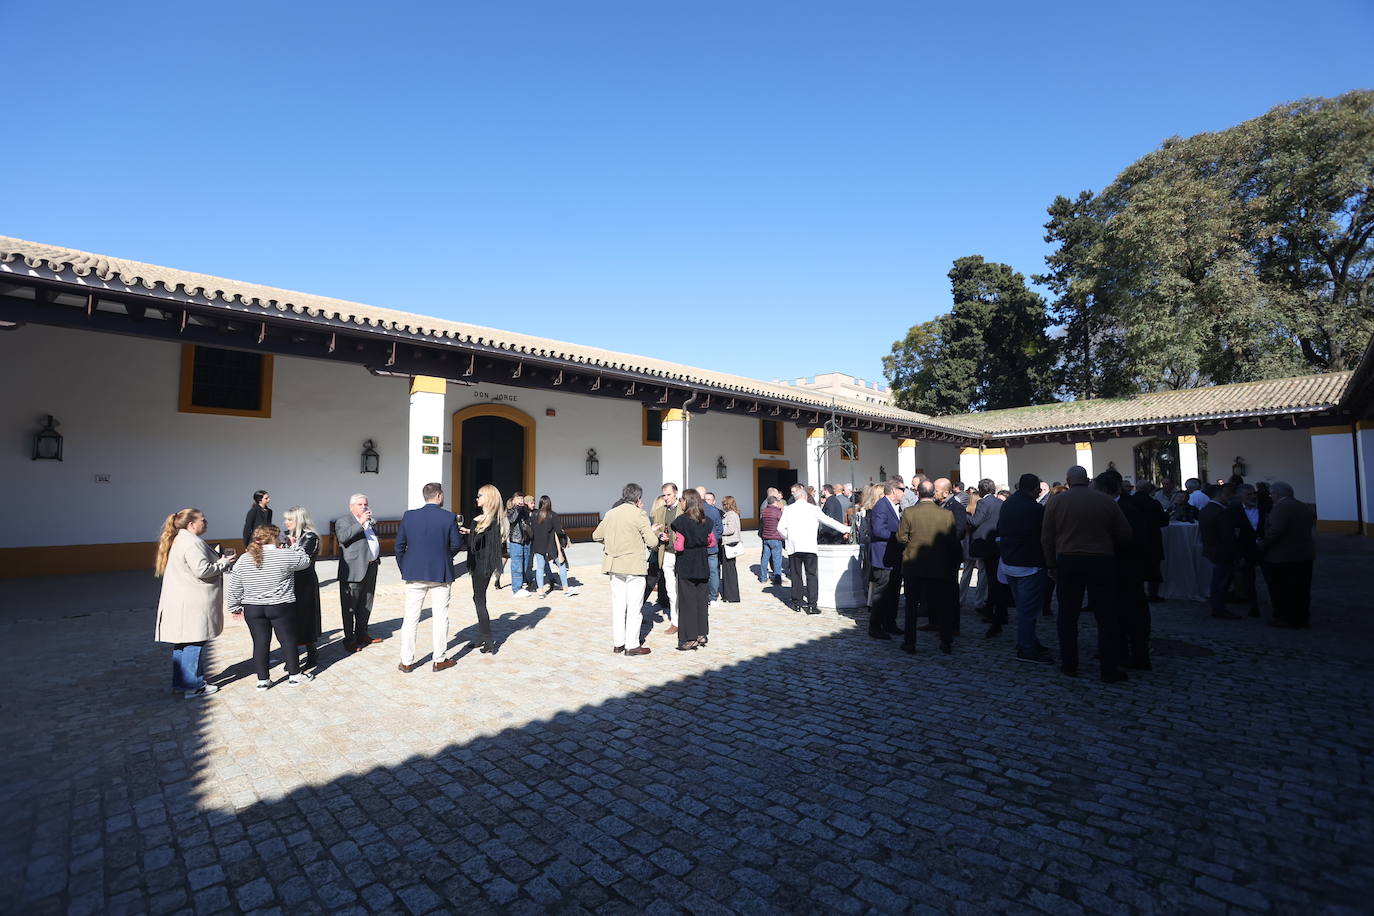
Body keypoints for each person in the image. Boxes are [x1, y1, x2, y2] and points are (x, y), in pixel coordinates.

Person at [1041, 465, 1132, 682]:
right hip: (1101, 560)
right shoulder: (1105, 501)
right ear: (1088, 479)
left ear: (1068, 480)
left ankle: (1069, 664)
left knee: (1067, 615)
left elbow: (1046, 537)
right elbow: (1126, 534)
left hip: (1068, 560)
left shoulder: (1057, 501)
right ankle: (1108, 669)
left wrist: (1050, 564)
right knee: (1106, 616)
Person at [154, 508, 236, 698]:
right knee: (194, 642)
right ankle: (194, 685)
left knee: (183, 644)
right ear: (191, 524)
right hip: (193, 601)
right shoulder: (192, 543)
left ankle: (181, 683)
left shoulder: (181, 540)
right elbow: (202, 570)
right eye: (202, 520)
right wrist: (224, 563)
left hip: (183, 600)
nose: (206, 523)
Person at [227, 525, 312, 690]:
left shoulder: (244, 558)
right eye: (279, 536)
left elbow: (235, 584)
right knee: (288, 640)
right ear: (274, 537)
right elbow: (305, 562)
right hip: (280, 605)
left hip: (252, 608)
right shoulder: (285, 554)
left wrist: (234, 606)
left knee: (260, 643)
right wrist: (295, 546)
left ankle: (263, 680)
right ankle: (294, 675)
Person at [394, 482, 463, 673]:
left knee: (410, 618)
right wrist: (444, 557)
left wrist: (405, 567)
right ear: (439, 496)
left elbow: (399, 546)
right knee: (441, 617)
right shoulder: (449, 517)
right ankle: (439, 659)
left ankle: (406, 661)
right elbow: (456, 544)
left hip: (414, 573)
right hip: (440, 573)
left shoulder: (409, 516)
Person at [593, 483, 661, 655]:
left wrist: (612, 543)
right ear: (638, 499)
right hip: (633, 565)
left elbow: (597, 535)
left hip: (614, 564)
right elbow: (652, 542)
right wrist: (655, 536)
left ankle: (618, 643)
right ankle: (631, 644)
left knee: (618, 606)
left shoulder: (611, 513)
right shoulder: (639, 514)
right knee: (634, 608)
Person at [895, 480, 961, 654]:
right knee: (944, 605)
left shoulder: (909, 513)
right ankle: (946, 641)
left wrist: (912, 544)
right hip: (939, 566)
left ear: (918, 493)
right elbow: (952, 541)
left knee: (911, 606)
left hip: (914, 565)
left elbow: (901, 538)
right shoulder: (946, 515)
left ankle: (910, 642)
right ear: (933, 494)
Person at [1097, 470, 1153, 670]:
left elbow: (1135, 540)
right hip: (1116, 569)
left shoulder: (1127, 508)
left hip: (1127, 568)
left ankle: (1138, 655)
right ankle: (1119, 650)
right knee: (1117, 613)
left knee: (1133, 614)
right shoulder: (1114, 506)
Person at [998, 474, 1052, 663]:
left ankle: (1030, 640)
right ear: (1034, 489)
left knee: (1023, 607)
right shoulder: (1034, 508)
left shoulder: (1008, 503)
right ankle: (1026, 647)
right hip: (1028, 564)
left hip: (1009, 562)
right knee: (1028, 610)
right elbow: (1043, 537)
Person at [777, 482, 851, 614]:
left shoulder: (789, 509)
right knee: (811, 575)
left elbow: (780, 528)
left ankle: (797, 603)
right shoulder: (814, 509)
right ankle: (812, 605)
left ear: (796, 497)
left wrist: (788, 537)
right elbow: (829, 521)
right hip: (809, 546)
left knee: (796, 575)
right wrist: (846, 529)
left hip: (794, 546)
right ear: (805, 497)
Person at [1261, 481, 1316, 628]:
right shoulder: (1303, 506)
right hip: (1304, 554)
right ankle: (1301, 617)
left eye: (1271, 494)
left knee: (1282, 589)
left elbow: (1275, 531)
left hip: (1282, 556)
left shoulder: (1281, 508)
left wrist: (1262, 545)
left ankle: (1285, 617)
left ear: (1277, 494)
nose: (1270, 497)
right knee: (1301, 589)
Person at [460, 484, 508, 653]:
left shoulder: (480, 521)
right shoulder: (496, 521)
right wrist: (470, 531)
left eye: (480, 495)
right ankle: (482, 635)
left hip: (479, 566)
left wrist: (470, 531)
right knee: (478, 598)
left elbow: (472, 546)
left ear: (488, 498)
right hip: (487, 566)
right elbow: (484, 542)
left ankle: (487, 638)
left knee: (479, 600)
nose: (477, 498)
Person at [670, 489, 716, 650]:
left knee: (687, 602)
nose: (681, 503)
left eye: (682, 500)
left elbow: (679, 546)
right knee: (701, 601)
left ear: (687, 501)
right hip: (702, 563)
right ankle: (701, 634)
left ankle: (689, 638)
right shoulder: (707, 521)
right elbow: (712, 543)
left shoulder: (680, 522)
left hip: (687, 565)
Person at [336, 493, 382, 652]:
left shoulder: (369, 521)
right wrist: (360, 523)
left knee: (366, 603)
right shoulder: (343, 521)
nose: (364, 507)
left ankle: (362, 633)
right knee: (350, 606)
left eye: (365, 504)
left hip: (371, 567)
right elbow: (343, 537)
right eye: (360, 504)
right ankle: (349, 639)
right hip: (353, 571)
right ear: (352, 506)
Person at [282, 506, 322, 669]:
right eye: (286, 519)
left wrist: (289, 547)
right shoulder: (287, 535)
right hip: (288, 582)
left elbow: (301, 560)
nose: (286, 522)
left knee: (306, 618)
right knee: (289, 620)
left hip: (304, 583)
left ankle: (312, 654)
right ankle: (292, 657)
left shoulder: (310, 536)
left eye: (290, 519)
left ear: (299, 520)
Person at [867, 479, 904, 640]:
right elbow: (878, 530)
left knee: (893, 592)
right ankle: (875, 626)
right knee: (881, 593)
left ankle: (889, 623)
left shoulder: (893, 506)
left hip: (893, 556)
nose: (904, 492)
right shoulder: (882, 506)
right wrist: (899, 536)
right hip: (883, 557)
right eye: (902, 489)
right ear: (894, 490)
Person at [1199, 484, 1242, 620]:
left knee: (1218, 580)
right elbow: (1227, 536)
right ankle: (1219, 608)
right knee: (1221, 581)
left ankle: (1218, 606)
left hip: (1212, 549)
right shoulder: (1221, 511)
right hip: (1222, 551)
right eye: (1226, 494)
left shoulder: (1206, 509)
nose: (1229, 497)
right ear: (1219, 495)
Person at [1230, 484, 1267, 617]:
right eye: (1248, 495)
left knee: (1271, 578)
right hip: (1246, 550)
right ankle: (1253, 606)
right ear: (1240, 497)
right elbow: (1233, 534)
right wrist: (1238, 554)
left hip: (1265, 549)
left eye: (1253, 494)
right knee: (1248, 580)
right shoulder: (1234, 510)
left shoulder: (1264, 508)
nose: (1252, 497)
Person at [531, 495, 578, 598]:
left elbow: (532, 530)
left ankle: (541, 592)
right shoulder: (553, 515)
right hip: (551, 544)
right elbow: (558, 531)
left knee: (540, 567)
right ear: (549, 503)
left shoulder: (534, 514)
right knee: (561, 565)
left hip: (538, 544)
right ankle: (565, 589)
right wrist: (565, 538)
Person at [1131, 482, 1170, 602]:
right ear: (1148, 489)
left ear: (1136, 488)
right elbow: (1163, 522)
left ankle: (1136, 593)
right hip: (1152, 539)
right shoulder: (1154, 503)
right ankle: (1153, 594)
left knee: (1134, 568)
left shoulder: (1129, 502)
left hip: (1133, 540)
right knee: (1154, 568)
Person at [652, 483, 683, 632]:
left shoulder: (683, 508)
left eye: (669, 495)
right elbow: (655, 529)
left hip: (682, 554)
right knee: (671, 589)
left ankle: (686, 618)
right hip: (667, 554)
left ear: (675, 494)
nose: (666, 498)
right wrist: (660, 535)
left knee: (683, 588)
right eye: (664, 495)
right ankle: (675, 621)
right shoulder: (659, 511)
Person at [699, 488, 725, 606]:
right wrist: (715, 538)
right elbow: (720, 529)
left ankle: (702, 596)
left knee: (700, 572)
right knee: (713, 572)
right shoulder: (714, 511)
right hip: (712, 546)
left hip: (699, 547)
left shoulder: (694, 511)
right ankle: (714, 597)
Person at [506, 491, 534, 597]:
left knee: (526, 565)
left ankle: (523, 583)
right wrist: (517, 508)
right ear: (513, 500)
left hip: (526, 540)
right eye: (518, 499)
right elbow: (512, 520)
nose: (521, 501)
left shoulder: (525, 510)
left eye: (522, 499)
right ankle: (516, 589)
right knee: (516, 565)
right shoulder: (511, 510)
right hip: (516, 540)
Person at [719, 496, 742, 603]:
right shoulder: (732, 514)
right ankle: (729, 594)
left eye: (724, 504)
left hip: (729, 544)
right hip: (730, 543)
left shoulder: (731, 514)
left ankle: (732, 595)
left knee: (729, 571)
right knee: (729, 570)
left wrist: (719, 530)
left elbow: (731, 529)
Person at [758, 496, 785, 586]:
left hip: (766, 537)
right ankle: (777, 579)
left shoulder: (764, 511)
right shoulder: (778, 512)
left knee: (764, 558)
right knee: (777, 559)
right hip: (776, 538)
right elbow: (783, 523)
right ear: (775, 502)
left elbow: (762, 523)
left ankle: (763, 578)